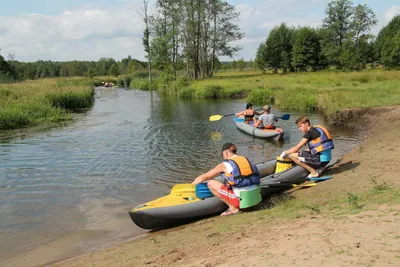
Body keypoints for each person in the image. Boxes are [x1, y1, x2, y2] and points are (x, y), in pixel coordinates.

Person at [192, 142, 260, 216]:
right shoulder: (246, 159)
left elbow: (204, 177)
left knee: (211, 183)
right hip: (256, 198)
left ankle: (233, 208)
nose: (223, 156)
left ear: (226, 153)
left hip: (241, 201)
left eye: (222, 154)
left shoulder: (225, 164)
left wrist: (191, 186)